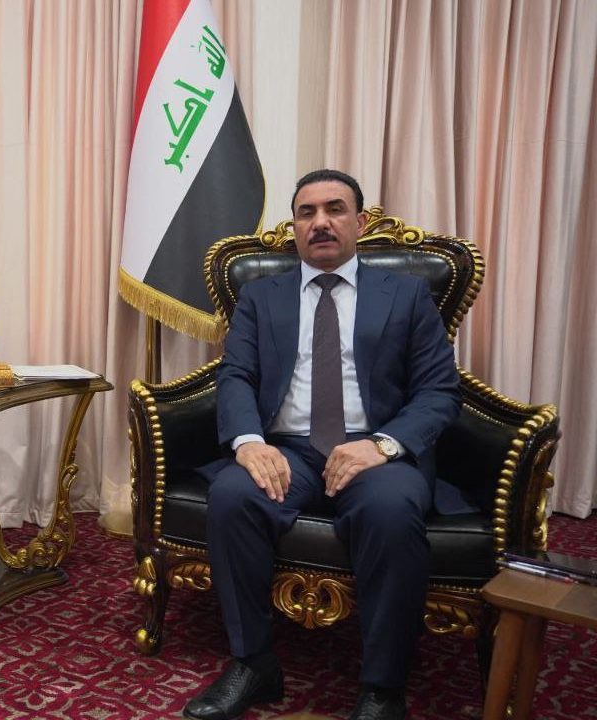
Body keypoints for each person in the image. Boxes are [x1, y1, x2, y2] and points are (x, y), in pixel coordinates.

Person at [182, 170, 460, 720]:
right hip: (287, 448)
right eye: (306, 213)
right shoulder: (261, 297)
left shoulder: (405, 294)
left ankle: (383, 688)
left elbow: (439, 390)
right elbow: (236, 375)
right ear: (294, 227)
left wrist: (383, 445)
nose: (321, 222)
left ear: (360, 221)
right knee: (234, 496)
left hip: (375, 452)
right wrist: (247, 442)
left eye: (335, 209)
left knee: (390, 511)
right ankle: (253, 663)